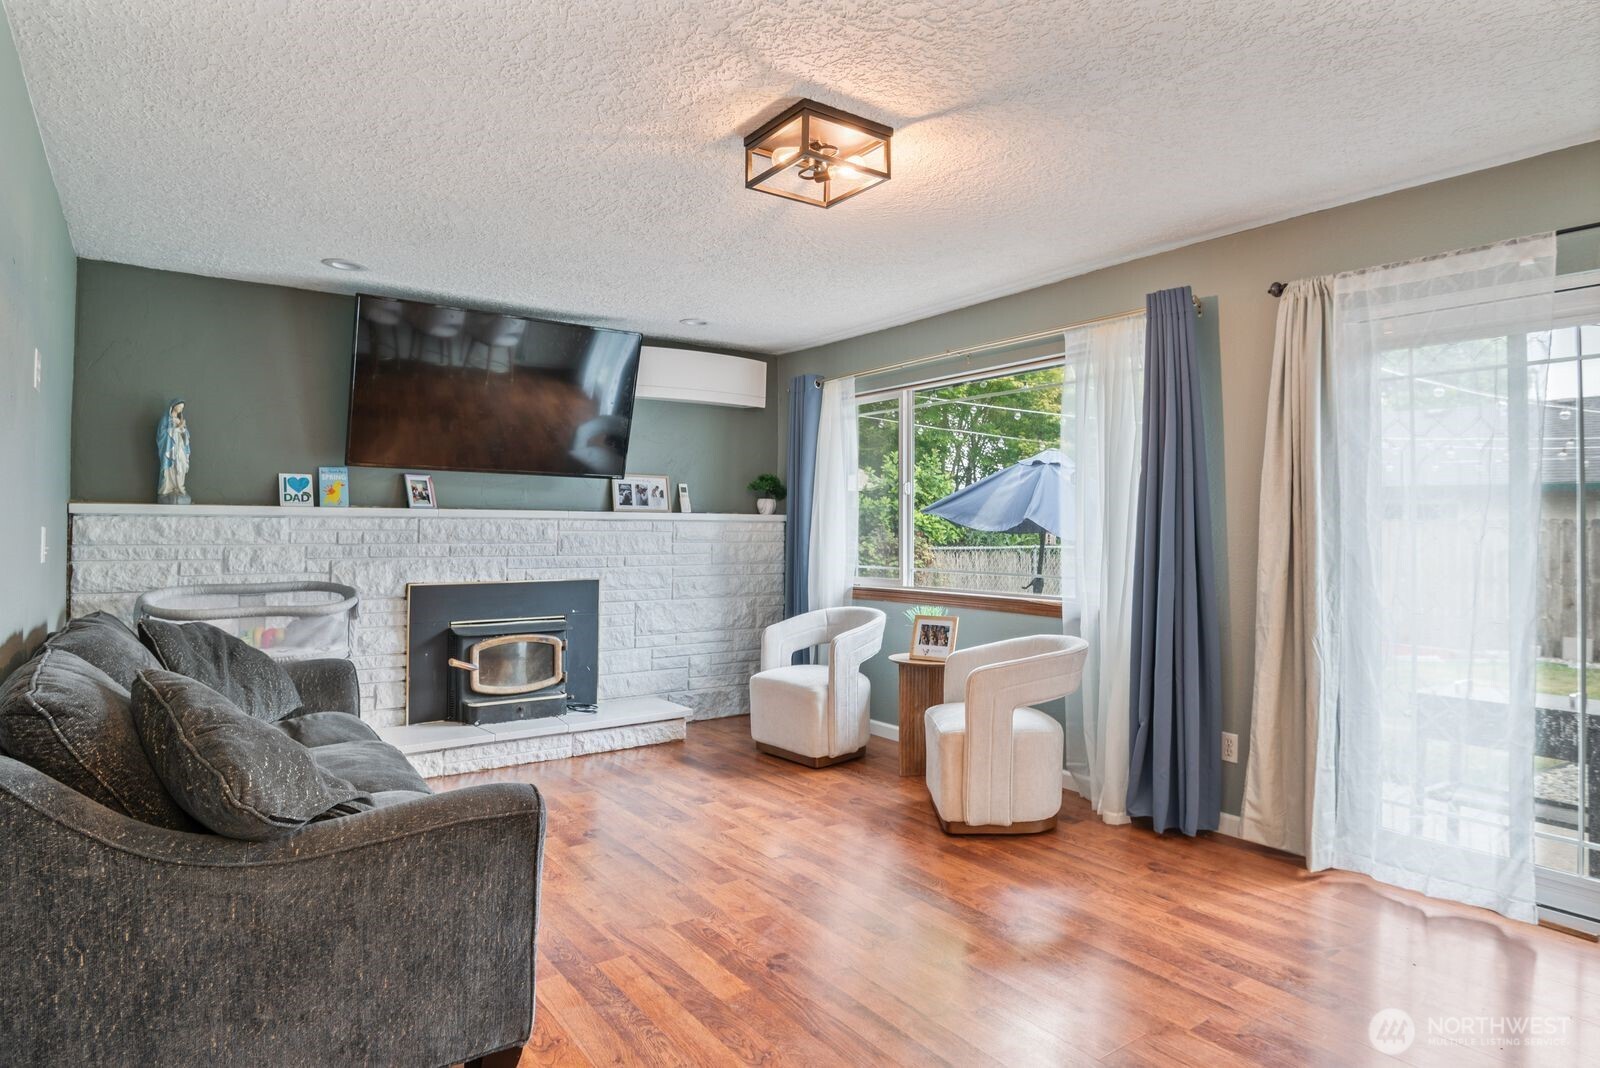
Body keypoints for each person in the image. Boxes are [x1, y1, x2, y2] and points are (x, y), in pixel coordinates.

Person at [156, 399, 191, 505]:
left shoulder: (179, 420)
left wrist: (183, 430)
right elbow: (161, 434)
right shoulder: (166, 419)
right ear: (173, 406)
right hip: (169, 449)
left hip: (179, 447)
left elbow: (186, 436)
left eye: (182, 408)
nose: (181, 409)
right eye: (179, 406)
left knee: (180, 465)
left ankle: (178, 487)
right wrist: (176, 429)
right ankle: (167, 489)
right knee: (170, 467)